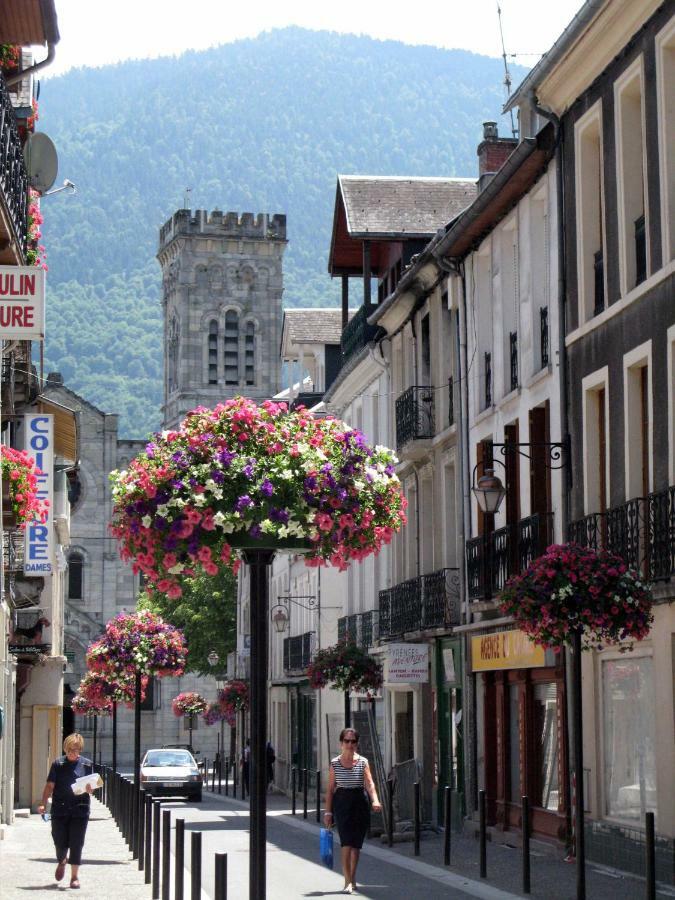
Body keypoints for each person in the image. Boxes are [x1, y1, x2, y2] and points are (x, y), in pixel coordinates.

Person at [324, 728, 381, 894]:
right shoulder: (335, 763)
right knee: (346, 843)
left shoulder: (363, 762)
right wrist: (328, 812)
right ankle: (347, 880)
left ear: (357, 744)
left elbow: (369, 784)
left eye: (353, 741)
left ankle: (353, 877)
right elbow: (330, 789)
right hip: (342, 802)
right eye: (347, 741)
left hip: (359, 802)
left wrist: (375, 799)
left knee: (356, 845)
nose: (350, 744)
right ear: (341, 743)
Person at [37, 733, 96, 889]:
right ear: (65, 749)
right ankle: (62, 859)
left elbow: (92, 788)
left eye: (76, 749)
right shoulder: (58, 764)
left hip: (80, 809)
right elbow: (50, 785)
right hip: (60, 809)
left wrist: (90, 789)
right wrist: (43, 804)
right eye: (70, 749)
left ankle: (74, 877)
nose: (72, 752)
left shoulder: (87, 765)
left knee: (77, 843)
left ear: (80, 749)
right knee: (58, 839)